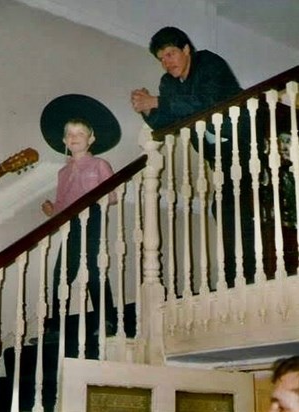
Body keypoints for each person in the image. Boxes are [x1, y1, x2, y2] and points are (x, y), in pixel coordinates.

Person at [130, 26, 261, 287]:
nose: (167, 62)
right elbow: (164, 123)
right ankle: (237, 276)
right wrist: (143, 107)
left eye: (170, 54)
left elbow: (208, 103)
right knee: (223, 207)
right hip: (218, 156)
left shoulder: (209, 63)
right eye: (162, 59)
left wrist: (156, 101)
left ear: (187, 50)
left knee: (239, 206)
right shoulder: (168, 83)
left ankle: (247, 276)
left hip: (246, 144)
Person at [39, 94, 121, 341]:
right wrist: (52, 211)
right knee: (61, 273)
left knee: (94, 268)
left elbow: (113, 196)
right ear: (64, 140)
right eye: (70, 134)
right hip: (72, 223)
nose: (75, 138)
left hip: (92, 216)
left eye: (80, 133)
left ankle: (107, 320)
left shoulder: (99, 164)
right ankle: (54, 327)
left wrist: (91, 201)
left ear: (91, 138)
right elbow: (62, 205)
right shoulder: (63, 172)